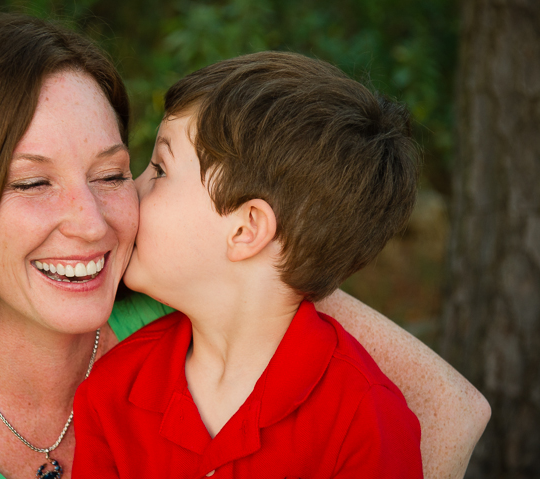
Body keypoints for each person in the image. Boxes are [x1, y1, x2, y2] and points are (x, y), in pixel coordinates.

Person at [0, 14, 488, 479]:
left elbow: (451, 410)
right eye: (31, 182)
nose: (96, 221)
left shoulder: (195, 302)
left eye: (113, 172)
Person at [72, 52, 451, 478]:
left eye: (159, 169)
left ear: (246, 229)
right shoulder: (111, 392)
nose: (130, 191)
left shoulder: (363, 417)